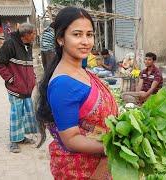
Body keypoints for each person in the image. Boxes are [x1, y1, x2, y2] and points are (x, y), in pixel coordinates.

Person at [36, 7, 118, 179]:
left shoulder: (82, 69)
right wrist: (113, 147)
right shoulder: (63, 84)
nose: (85, 41)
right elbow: (71, 139)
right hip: (82, 170)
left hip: (103, 160)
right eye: (77, 34)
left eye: (89, 34)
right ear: (60, 39)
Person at [0, 23, 38, 153]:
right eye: (33, 33)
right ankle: (14, 141)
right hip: (15, 87)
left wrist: (33, 78)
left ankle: (21, 137)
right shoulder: (10, 44)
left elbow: (28, 65)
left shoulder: (28, 46)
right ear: (26, 35)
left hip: (27, 88)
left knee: (26, 113)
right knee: (16, 114)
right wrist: (11, 79)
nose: (35, 36)